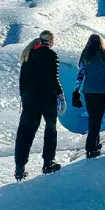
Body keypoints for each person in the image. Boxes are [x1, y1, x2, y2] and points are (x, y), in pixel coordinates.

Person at [14, 30, 66, 181]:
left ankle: (20, 168)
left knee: (25, 133)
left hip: (30, 100)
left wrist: (24, 98)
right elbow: (53, 78)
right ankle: (48, 163)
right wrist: (60, 94)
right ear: (50, 41)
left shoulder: (28, 55)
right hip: (47, 99)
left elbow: (22, 81)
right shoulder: (50, 54)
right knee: (50, 130)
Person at [74, 34, 105, 159]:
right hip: (101, 91)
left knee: (92, 118)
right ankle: (91, 146)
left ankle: (95, 144)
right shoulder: (104, 55)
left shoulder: (85, 55)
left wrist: (76, 91)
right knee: (97, 119)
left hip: (87, 91)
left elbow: (80, 75)